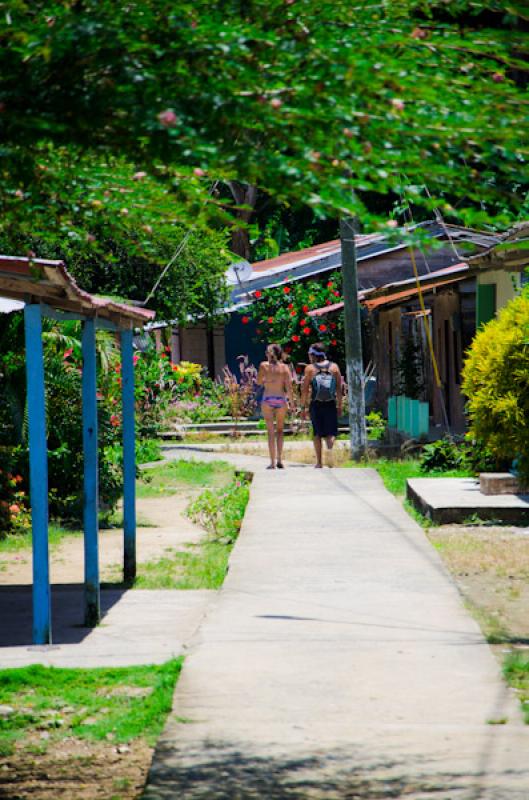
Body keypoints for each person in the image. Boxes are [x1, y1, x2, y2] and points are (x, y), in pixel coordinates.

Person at [301, 343, 343, 468]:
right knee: (331, 433)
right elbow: (339, 388)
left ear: (314, 355)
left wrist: (303, 407)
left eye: (310, 354)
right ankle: (330, 450)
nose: (309, 357)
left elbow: (304, 390)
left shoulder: (310, 369)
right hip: (330, 403)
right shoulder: (334, 367)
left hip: (316, 404)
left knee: (317, 434)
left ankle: (319, 462)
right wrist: (340, 405)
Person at [257, 343, 293, 469]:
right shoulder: (284, 368)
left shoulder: (263, 366)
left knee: (270, 432)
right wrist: (292, 402)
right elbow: (289, 387)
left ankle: (272, 462)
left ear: (269, 354)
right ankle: (280, 460)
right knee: (280, 431)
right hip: (280, 399)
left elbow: (258, 381)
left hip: (268, 398)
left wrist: (267, 380)